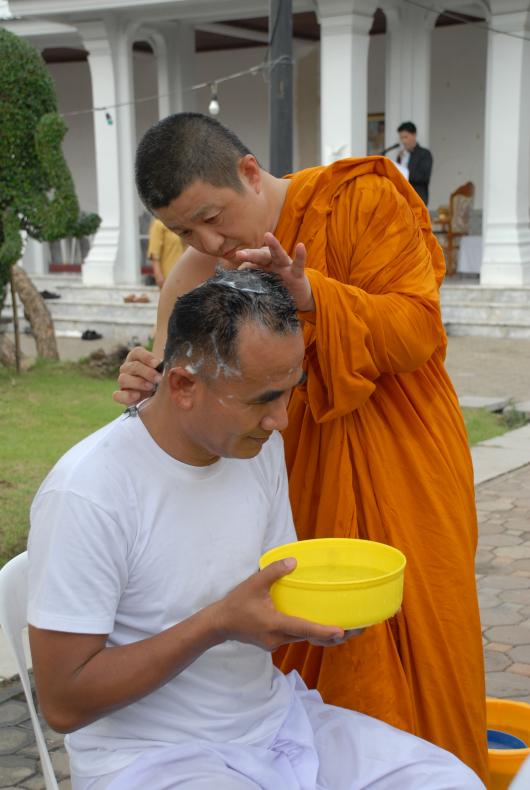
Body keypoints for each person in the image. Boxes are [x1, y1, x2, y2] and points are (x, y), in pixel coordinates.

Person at [114, 113, 488, 783]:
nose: (208, 243)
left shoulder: (360, 199)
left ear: (249, 173)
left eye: (212, 217)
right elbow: (178, 394)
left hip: (403, 458)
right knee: (311, 636)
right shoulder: (197, 276)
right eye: (184, 232)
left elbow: (418, 330)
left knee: (421, 638)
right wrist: (145, 384)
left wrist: (315, 296)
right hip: (291, 477)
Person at [27, 269, 482, 790]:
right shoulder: (89, 491)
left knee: (451, 781)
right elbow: (63, 703)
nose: (281, 420)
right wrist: (216, 625)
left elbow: (270, 594)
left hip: (275, 724)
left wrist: (324, 613)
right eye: (263, 399)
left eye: (290, 392)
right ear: (183, 386)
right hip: (151, 756)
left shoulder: (256, 450)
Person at [396, 121, 433, 205]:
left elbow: (423, 177)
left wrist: (405, 167)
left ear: (414, 135)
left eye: (406, 137)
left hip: (417, 198)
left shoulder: (424, 154)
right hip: (402, 199)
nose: (403, 141)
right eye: (401, 138)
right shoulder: (401, 156)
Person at [147, 216, 186, 288]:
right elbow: (154, 253)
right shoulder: (159, 224)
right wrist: (158, 276)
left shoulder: (184, 224)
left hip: (186, 275)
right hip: (169, 276)